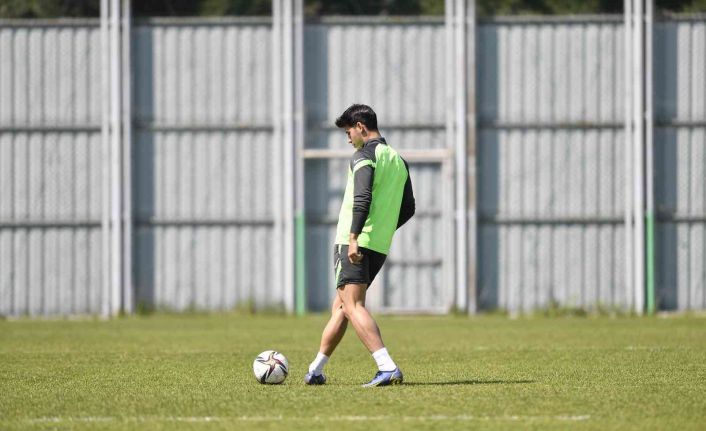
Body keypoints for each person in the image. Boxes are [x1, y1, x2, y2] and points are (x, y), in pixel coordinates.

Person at [304, 104, 415, 387]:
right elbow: (409, 208)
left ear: (360, 127)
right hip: (377, 245)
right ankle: (316, 370)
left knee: (352, 305)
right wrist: (382, 230)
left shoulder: (364, 155)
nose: (348, 138)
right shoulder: (398, 161)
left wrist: (354, 238)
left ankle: (387, 367)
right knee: (342, 307)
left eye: (348, 132)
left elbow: (362, 197)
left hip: (354, 242)